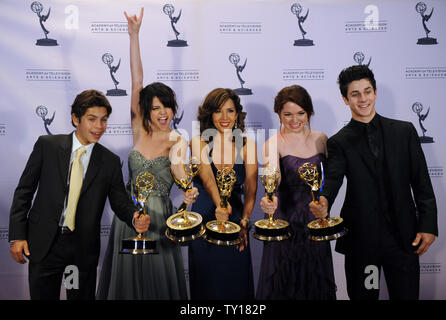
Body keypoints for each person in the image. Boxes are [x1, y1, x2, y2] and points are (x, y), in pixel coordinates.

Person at [309, 65, 438, 300]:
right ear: (345, 99)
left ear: (375, 92)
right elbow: (333, 177)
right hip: (362, 243)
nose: (363, 99)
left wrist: (427, 225)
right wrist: (324, 200)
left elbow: (422, 184)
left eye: (367, 91)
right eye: (355, 94)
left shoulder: (404, 131)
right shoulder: (339, 142)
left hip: (403, 239)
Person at [8, 89, 150, 300]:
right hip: (45, 244)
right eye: (92, 119)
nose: (99, 126)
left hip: (80, 250)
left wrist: (134, 216)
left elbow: (119, 201)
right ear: (76, 119)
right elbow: (24, 191)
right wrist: (18, 235)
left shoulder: (109, 162)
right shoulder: (47, 146)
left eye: (103, 120)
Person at [96, 8, 197, 300]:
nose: (162, 112)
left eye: (166, 106)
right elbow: (137, 81)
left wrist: (187, 190)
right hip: (129, 217)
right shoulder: (139, 130)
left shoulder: (177, 139)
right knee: (128, 279)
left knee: (156, 279)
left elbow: (179, 170)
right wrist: (134, 35)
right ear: (146, 111)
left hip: (158, 218)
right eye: (155, 107)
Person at [256, 85, 336, 300]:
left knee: (316, 280)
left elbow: (333, 178)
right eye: (287, 114)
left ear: (309, 112)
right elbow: (272, 179)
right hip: (285, 219)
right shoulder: (272, 143)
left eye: (300, 113)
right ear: (279, 114)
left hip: (315, 217)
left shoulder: (322, 139)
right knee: (283, 282)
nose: (294, 120)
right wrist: (268, 199)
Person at [188, 88, 257, 300]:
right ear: (210, 114)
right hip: (204, 221)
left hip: (235, 223)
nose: (224, 117)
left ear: (237, 115)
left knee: (235, 285)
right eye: (218, 111)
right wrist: (220, 205)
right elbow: (208, 178)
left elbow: (251, 189)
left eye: (230, 111)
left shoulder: (247, 146)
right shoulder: (199, 142)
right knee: (207, 287)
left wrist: (245, 221)